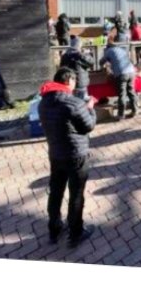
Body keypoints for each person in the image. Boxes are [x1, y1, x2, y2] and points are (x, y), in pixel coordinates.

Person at [37, 66, 97, 248]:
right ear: (69, 81)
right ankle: (76, 232)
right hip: (76, 155)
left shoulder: (43, 102)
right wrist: (91, 109)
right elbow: (88, 126)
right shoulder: (74, 102)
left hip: (55, 154)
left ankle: (54, 229)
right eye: (74, 82)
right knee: (76, 194)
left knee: (56, 192)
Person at [102, 29, 137, 121]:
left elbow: (101, 61)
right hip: (131, 71)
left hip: (122, 73)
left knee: (122, 94)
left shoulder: (109, 51)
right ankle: (135, 110)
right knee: (131, 92)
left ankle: (121, 115)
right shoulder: (121, 49)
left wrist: (105, 65)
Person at [59, 36, 94, 102]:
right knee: (82, 104)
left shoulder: (65, 56)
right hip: (80, 84)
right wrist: (85, 54)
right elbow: (91, 62)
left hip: (69, 84)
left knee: (73, 103)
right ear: (79, 45)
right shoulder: (79, 55)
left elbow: (61, 69)